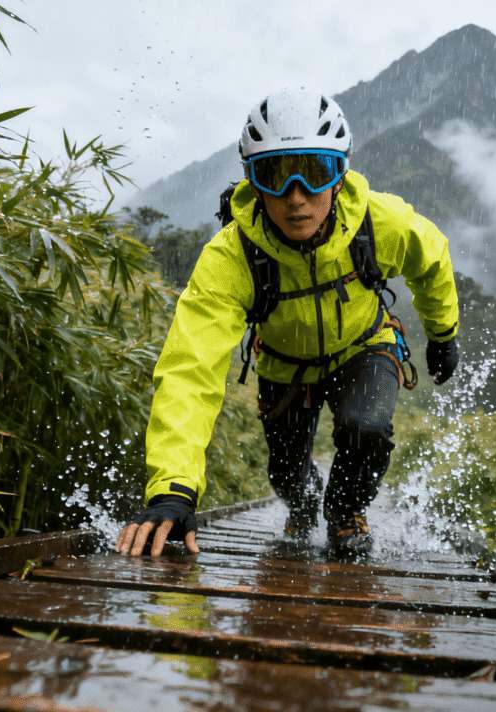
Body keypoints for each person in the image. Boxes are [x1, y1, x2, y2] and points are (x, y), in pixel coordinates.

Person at [115, 87, 460, 558]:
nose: (296, 198)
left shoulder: (382, 223)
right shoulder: (231, 257)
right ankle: (302, 506)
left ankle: (345, 513)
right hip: (282, 365)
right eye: (275, 175)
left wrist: (443, 333)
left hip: (363, 345)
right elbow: (189, 372)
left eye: (315, 172)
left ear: (340, 174)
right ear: (253, 182)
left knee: (368, 426)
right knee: (287, 473)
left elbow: (432, 260)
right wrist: (173, 488)